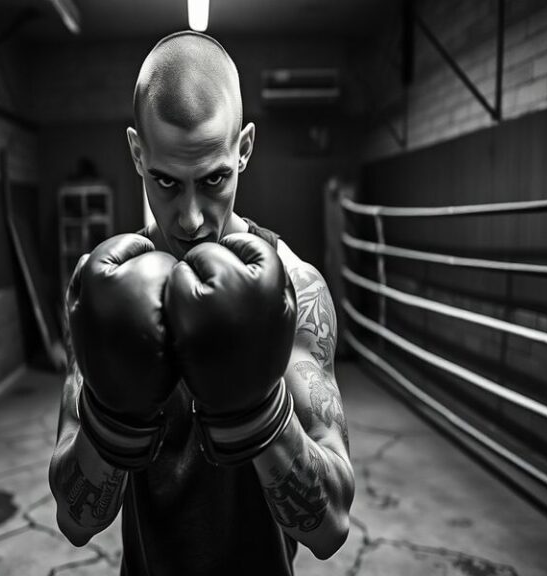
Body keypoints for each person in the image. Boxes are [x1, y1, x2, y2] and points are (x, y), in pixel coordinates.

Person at [49, 31, 354, 575]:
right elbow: (76, 522)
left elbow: (330, 528)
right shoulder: (103, 290)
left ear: (245, 149)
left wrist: (258, 411)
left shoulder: (297, 289)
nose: (190, 217)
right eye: (165, 181)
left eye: (214, 179)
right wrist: (115, 416)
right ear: (136, 153)